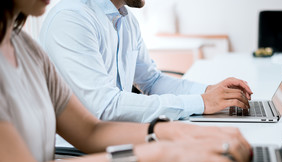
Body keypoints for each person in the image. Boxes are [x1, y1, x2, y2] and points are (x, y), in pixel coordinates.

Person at [0, 1, 252, 162]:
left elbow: (92, 131)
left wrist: (172, 133)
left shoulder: (25, 47)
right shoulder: (68, 18)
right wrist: (162, 151)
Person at [39, 0, 253, 123]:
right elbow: (105, 107)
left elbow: (152, 82)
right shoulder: (72, 18)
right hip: (79, 152)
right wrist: (201, 102)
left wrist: (210, 91)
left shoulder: (126, 20)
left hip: (117, 134)